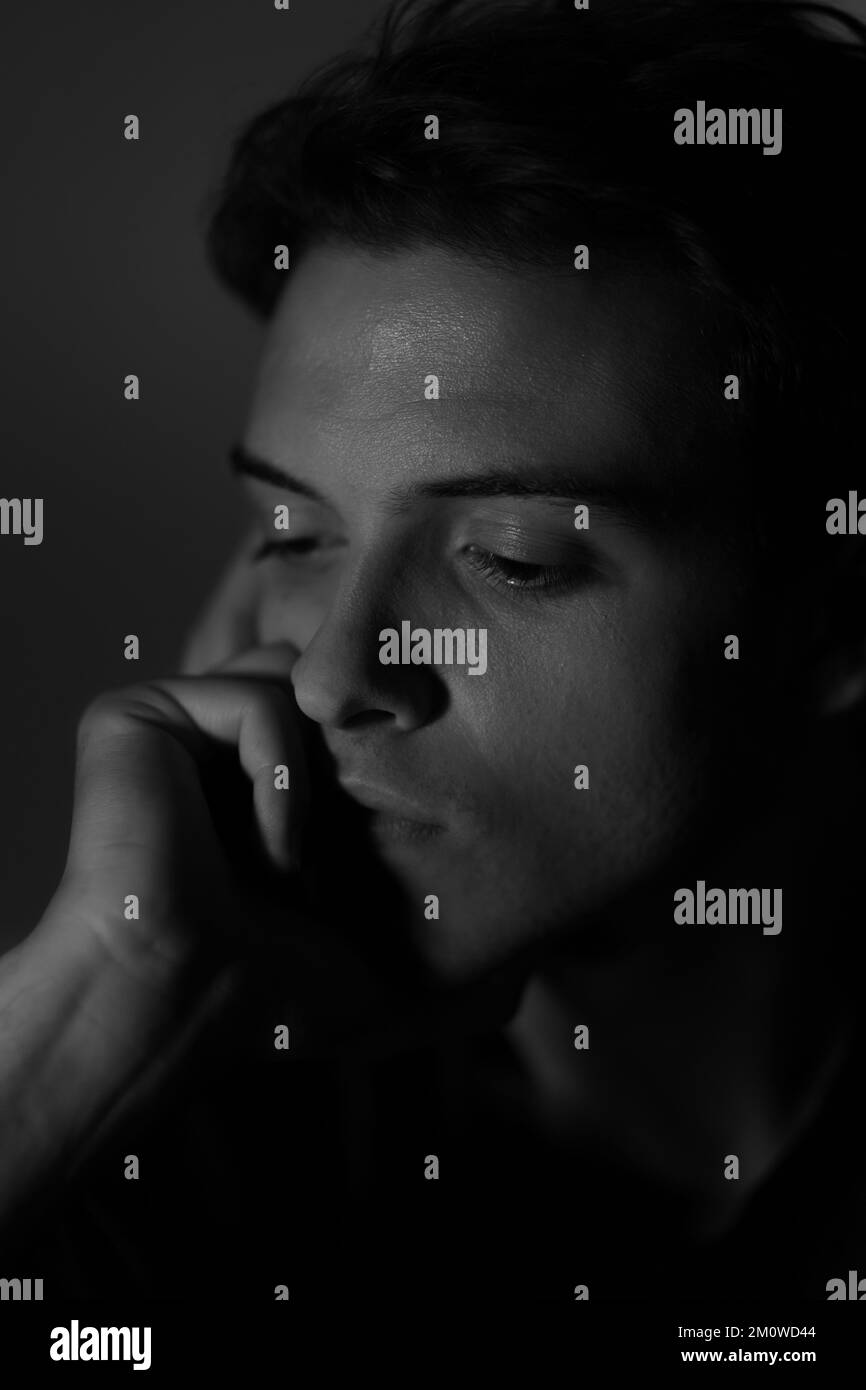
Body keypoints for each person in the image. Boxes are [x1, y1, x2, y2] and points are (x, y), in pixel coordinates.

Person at [1, 0, 865, 1305]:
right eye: (296, 532)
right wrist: (77, 1031)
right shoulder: (147, 1137)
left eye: (513, 557)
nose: (335, 672)